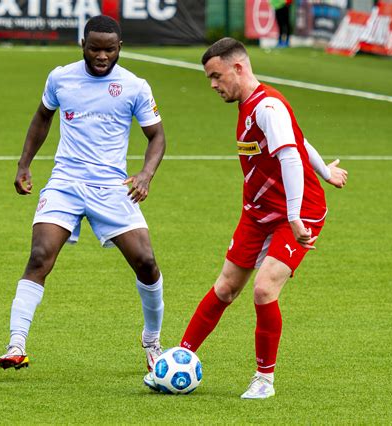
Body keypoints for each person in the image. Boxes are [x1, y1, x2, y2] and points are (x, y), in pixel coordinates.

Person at [144, 38, 347, 398]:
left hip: (296, 215)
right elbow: (300, 139)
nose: (213, 85)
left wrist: (296, 215)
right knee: (225, 287)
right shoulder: (251, 106)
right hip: (257, 212)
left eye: (216, 76)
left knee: (264, 288)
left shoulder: (267, 107)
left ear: (238, 68)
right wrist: (325, 171)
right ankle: (179, 358)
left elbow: (288, 155)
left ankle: (264, 380)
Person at [0, 15, 166, 375]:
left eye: (109, 49)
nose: (101, 56)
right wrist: (23, 164)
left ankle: (152, 341)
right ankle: (16, 344)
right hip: (66, 183)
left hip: (112, 188)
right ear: (83, 47)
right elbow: (42, 117)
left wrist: (146, 174)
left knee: (147, 263)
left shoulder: (135, 86)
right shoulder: (61, 77)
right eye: (94, 48)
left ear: (120, 48)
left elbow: (157, 136)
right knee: (40, 256)